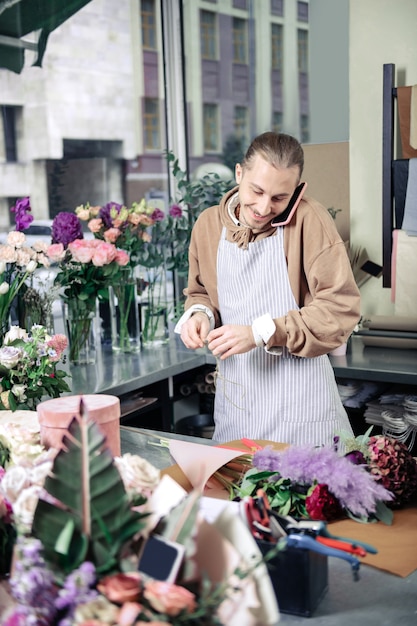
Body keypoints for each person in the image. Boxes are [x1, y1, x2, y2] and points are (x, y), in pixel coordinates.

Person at [175, 131, 360, 446]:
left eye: (279, 198)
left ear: (297, 190)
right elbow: (201, 292)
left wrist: (259, 332)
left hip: (301, 407)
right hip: (238, 406)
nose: (262, 207)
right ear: (239, 173)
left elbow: (339, 310)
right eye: (256, 190)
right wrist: (199, 314)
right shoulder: (207, 225)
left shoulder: (308, 220)